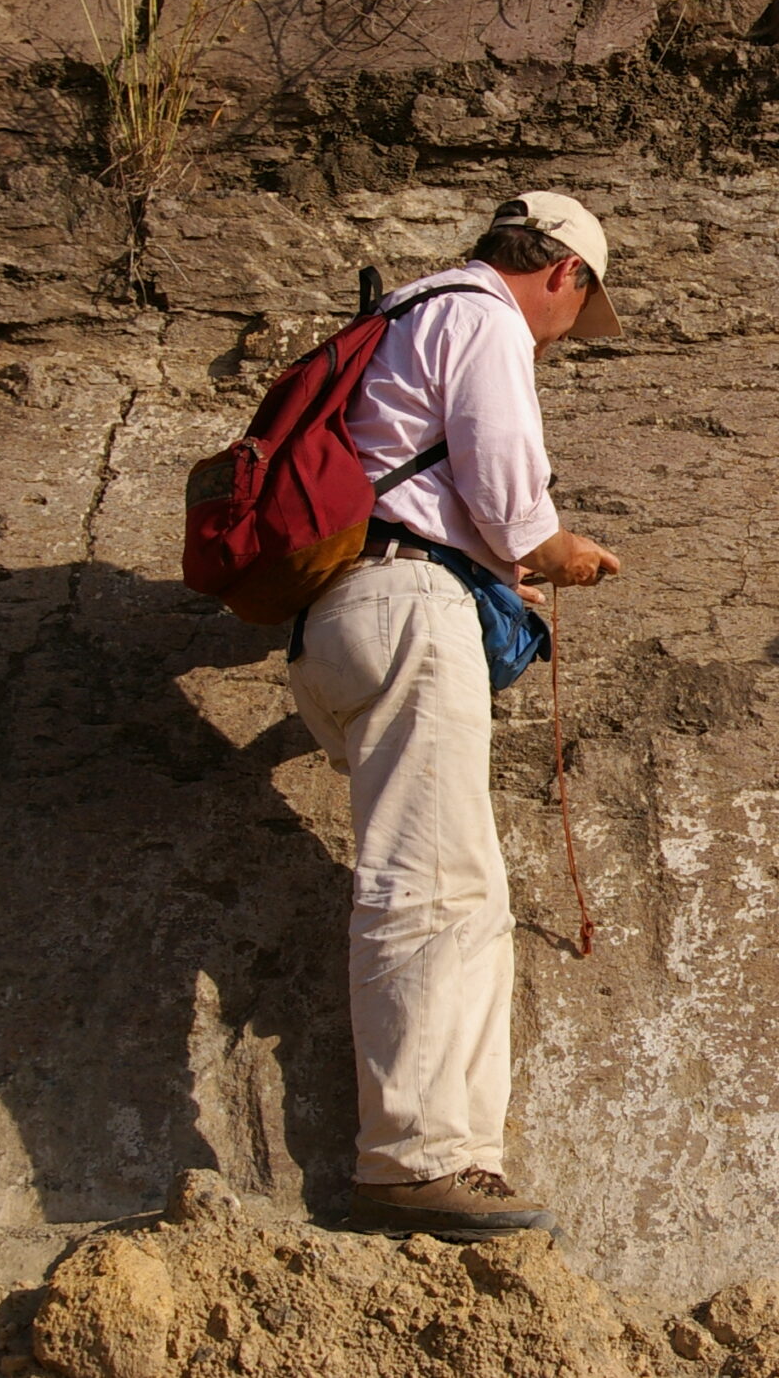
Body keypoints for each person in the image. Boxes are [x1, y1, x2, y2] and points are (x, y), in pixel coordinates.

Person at [287, 191, 626, 1240]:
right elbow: (504, 481)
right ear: (562, 271)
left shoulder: (404, 311)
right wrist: (559, 551)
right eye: (576, 310)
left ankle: (457, 1155)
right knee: (432, 881)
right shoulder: (483, 315)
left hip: (338, 619)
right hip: (408, 608)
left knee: (459, 883)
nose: (561, 337)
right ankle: (413, 1161)